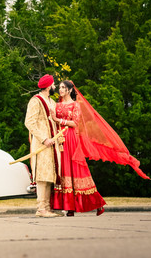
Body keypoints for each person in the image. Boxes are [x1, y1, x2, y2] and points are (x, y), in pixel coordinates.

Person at [51, 80, 106, 216]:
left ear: (70, 90)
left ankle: (96, 203)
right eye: (59, 87)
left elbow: (75, 123)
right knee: (63, 170)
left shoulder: (75, 105)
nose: (61, 90)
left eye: (63, 87)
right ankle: (68, 207)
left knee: (76, 170)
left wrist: (59, 121)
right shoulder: (56, 105)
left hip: (70, 137)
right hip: (59, 138)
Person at [24, 74, 63, 218]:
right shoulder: (35, 101)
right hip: (42, 143)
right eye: (53, 85)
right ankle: (41, 209)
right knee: (41, 175)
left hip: (53, 144)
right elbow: (29, 122)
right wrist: (44, 138)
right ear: (48, 86)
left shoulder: (51, 101)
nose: (55, 87)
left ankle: (47, 208)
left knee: (50, 175)